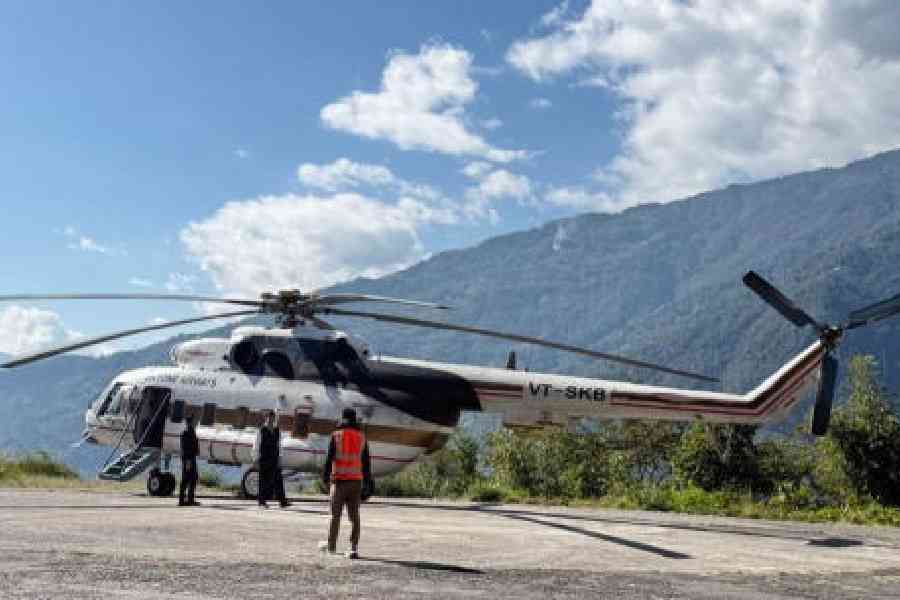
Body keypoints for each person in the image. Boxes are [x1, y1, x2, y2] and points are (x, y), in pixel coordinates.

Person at [320, 407, 372, 559]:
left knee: (335, 516)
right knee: (354, 517)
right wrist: (368, 483)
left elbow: (329, 458)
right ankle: (353, 548)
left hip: (339, 482)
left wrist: (324, 478)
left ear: (343, 419)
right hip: (356, 482)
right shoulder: (361, 437)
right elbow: (366, 462)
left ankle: (331, 547)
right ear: (354, 419)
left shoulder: (336, 435)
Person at [253, 410, 289, 508]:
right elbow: (256, 445)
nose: (271, 419)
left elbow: (279, 445)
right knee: (263, 480)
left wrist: (280, 457)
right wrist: (255, 458)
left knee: (278, 479)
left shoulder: (277, 430)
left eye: (272, 418)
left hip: (275, 457)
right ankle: (261, 501)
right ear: (266, 418)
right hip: (264, 457)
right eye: (269, 417)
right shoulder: (261, 430)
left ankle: (283, 501)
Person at [178, 415, 199, 506]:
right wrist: (189, 459)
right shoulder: (186, 433)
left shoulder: (191, 432)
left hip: (191, 458)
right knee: (186, 478)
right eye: (193, 422)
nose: (195, 423)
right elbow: (186, 447)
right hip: (188, 459)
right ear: (189, 423)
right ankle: (182, 500)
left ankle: (190, 499)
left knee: (193, 478)